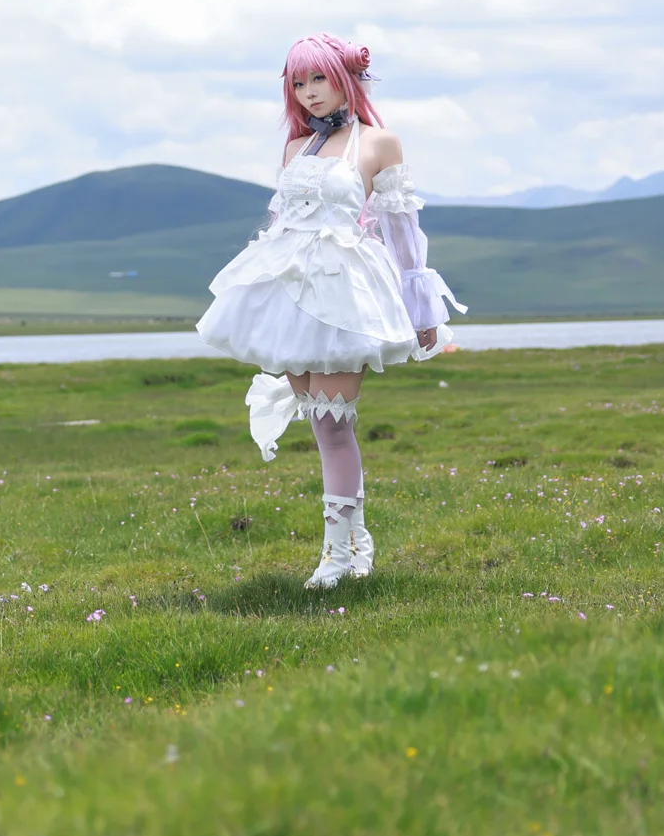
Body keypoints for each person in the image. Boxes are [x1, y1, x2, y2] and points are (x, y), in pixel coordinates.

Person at [196, 33, 464, 589]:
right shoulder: (296, 148)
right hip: (290, 294)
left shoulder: (380, 143)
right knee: (320, 426)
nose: (309, 92)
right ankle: (355, 544)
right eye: (299, 82)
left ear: (345, 79)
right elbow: (283, 222)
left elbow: (402, 231)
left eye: (318, 78)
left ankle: (338, 556)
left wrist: (422, 311)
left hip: (346, 293)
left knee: (334, 424)